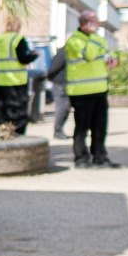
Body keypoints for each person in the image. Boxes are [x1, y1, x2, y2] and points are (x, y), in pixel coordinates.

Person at [45, 10, 116, 168]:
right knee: (82, 127)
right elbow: (89, 55)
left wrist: (112, 59)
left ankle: (100, 156)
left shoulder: (97, 39)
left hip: (100, 89)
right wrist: (95, 40)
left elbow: (107, 55)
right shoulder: (75, 41)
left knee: (100, 127)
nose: (97, 24)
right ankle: (81, 158)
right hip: (81, 91)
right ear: (85, 24)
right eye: (94, 22)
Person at [0, 29, 36, 134]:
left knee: (1, 114)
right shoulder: (17, 39)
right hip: (15, 83)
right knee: (18, 115)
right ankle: (17, 137)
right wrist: (34, 55)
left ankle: (3, 135)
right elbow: (24, 58)